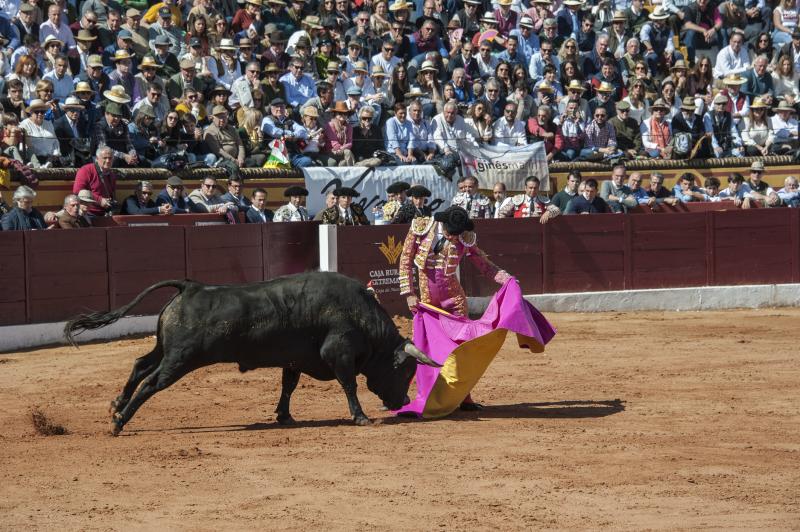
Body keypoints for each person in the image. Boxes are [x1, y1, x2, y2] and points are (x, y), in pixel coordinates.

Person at [398, 205, 512, 409]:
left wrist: (507, 279)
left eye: (457, 234)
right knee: (421, 347)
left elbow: (484, 265)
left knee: (462, 347)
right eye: (451, 233)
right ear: (442, 224)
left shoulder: (464, 236)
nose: (453, 238)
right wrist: (408, 294)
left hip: (454, 299)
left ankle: (465, 398)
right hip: (426, 301)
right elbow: (405, 261)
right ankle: (401, 395)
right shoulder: (421, 227)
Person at [72, 146, 119, 217]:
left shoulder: (112, 175)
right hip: (88, 213)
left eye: (110, 158)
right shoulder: (86, 170)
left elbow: (112, 194)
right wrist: (99, 200)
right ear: (97, 159)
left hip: (105, 214)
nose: (108, 161)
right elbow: (77, 191)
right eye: (105, 158)